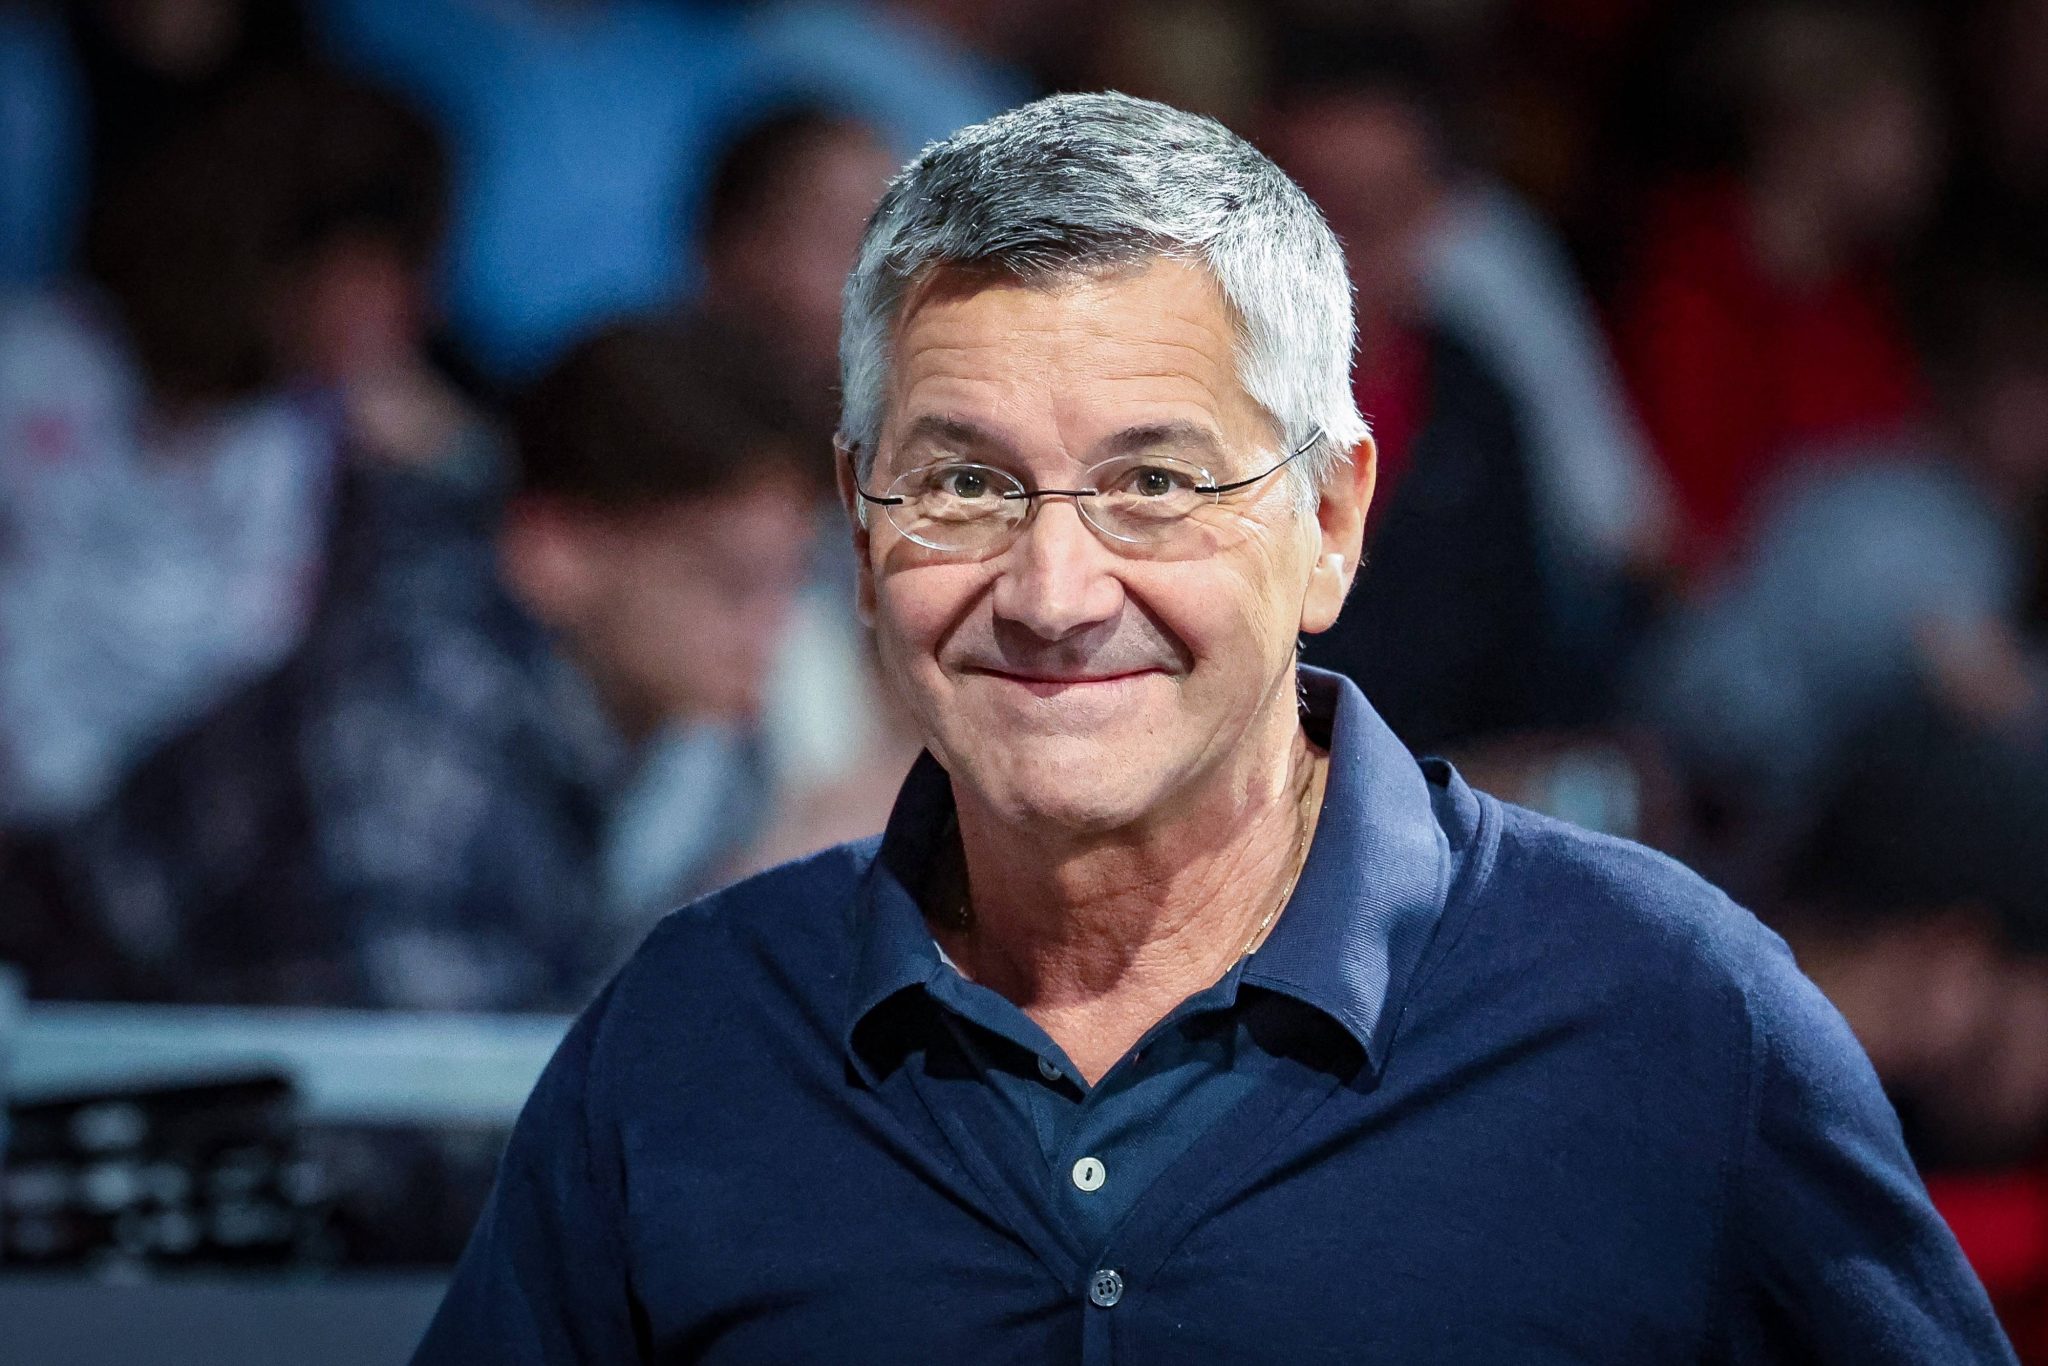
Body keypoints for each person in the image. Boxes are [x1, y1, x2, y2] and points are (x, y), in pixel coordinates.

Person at [414, 94, 2012, 1362]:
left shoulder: (1672, 1018)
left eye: (1153, 484)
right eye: (967, 482)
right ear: (858, 528)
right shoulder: (686, 1039)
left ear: (1330, 521)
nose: (1051, 589)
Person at [1, 317, 815, 1011]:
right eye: (729, 582)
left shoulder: (703, 737)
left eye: (792, 579)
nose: (773, 630)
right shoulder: (405, 717)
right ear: (555, 552)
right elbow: (434, 1132)